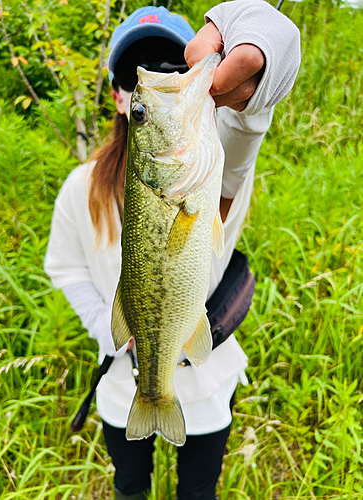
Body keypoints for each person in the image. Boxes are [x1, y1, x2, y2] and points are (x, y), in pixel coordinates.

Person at [45, 2, 301, 499]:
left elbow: (249, 122)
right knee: (130, 486)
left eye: (173, 68)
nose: (159, 79)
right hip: (123, 387)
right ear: (119, 96)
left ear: (204, 82)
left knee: (198, 492)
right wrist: (109, 329)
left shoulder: (214, 168)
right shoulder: (80, 189)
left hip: (207, 385)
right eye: (138, 80)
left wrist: (263, 43)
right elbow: (66, 267)